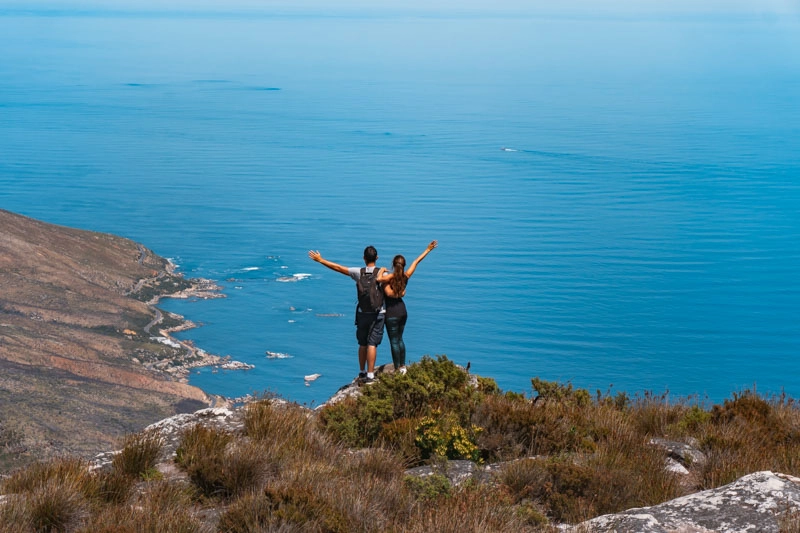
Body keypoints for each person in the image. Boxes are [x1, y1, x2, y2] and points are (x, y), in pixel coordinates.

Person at [308, 246, 385, 383]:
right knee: (372, 344)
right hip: (377, 313)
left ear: (364, 258)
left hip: (362, 313)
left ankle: (362, 372)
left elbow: (338, 268)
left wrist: (321, 260)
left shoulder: (358, 272)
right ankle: (371, 375)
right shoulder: (382, 274)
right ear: (377, 258)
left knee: (362, 343)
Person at [377, 240, 437, 375]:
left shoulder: (389, 277)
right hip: (403, 311)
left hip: (391, 313)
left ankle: (397, 368)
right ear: (403, 266)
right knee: (400, 339)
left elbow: (378, 279)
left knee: (393, 341)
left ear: (393, 264)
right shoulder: (406, 276)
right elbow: (416, 261)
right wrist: (428, 249)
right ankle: (403, 366)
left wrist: (381, 271)